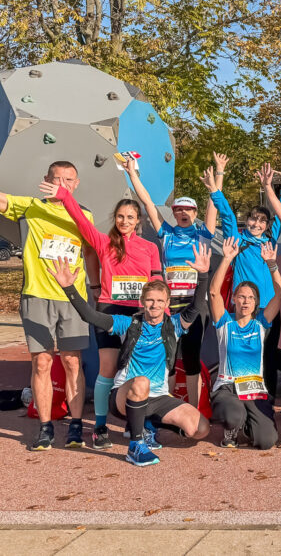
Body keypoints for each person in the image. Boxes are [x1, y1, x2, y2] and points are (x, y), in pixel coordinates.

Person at [0, 121, 91, 451]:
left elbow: (95, 250)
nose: (62, 185)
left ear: (77, 184)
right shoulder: (29, 207)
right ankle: (44, 426)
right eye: (57, 180)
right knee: (41, 362)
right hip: (37, 296)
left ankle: (77, 426)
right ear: (46, 182)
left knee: (72, 362)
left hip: (72, 298)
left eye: (68, 181)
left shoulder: (85, 215)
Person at [50, 245, 211, 467]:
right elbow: (89, 315)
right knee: (141, 382)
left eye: (160, 301)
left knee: (200, 429)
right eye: (150, 300)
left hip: (158, 397)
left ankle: (149, 423)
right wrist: (69, 288)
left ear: (167, 304)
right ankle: (135, 445)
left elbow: (198, 305)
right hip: (124, 396)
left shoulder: (174, 325)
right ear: (142, 302)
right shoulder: (129, 323)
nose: (154, 306)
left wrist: (203, 275)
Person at [43, 177, 163, 450]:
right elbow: (81, 221)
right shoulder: (102, 242)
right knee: (107, 370)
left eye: (130, 217)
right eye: (120, 216)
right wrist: (64, 195)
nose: (124, 221)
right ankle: (99, 426)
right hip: (109, 310)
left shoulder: (150, 247)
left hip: (140, 315)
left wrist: (162, 312)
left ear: (138, 220)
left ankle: (139, 424)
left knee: (139, 370)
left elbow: (158, 284)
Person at [120, 153, 218, 410]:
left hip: (195, 305)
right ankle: (168, 407)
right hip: (169, 306)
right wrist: (132, 174)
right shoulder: (166, 233)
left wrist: (216, 178)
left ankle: (195, 411)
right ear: (173, 213)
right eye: (179, 209)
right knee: (170, 357)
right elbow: (149, 203)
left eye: (188, 209)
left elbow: (214, 205)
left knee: (193, 357)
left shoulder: (203, 234)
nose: (183, 213)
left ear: (194, 212)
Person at [207, 162, 281, 398]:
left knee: (269, 356)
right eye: (253, 219)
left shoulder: (269, 242)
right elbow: (225, 213)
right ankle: (236, 398)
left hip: (269, 308)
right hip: (244, 309)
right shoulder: (237, 239)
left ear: (267, 226)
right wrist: (215, 189)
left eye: (262, 221)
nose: (256, 224)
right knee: (241, 355)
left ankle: (268, 401)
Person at [210, 238, 281, 450]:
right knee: (234, 414)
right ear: (233, 299)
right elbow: (214, 293)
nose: (245, 302)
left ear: (256, 302)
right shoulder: (225, 324)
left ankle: (249, 425)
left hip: (254, 388)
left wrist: (272, 264)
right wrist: (227, 258)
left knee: (266, 442)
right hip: (228, 387)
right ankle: (232, 427)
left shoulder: (261, 324)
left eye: (250, 298)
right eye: (241, 297)